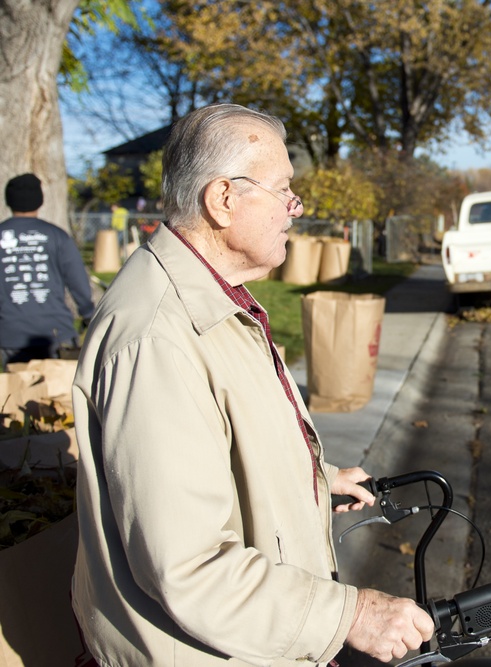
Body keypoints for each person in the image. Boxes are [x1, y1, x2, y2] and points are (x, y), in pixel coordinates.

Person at [72, 104, 434, 666]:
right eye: (284, 189)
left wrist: (315, 479)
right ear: (223, 200)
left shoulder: (214, 298)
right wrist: (351, 615)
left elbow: (221, 444)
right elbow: (190, 567)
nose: (298, 206)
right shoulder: (158, 339)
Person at [0, 173, 94, 366]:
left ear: (9, 201)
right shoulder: (57, 236)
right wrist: (88, 313)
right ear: (39, 200)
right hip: (56, 333)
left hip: (10, 334)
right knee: (55, 393)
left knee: (16, 392)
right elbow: (78, 281)